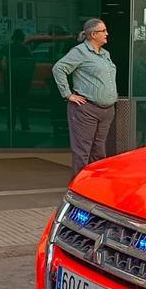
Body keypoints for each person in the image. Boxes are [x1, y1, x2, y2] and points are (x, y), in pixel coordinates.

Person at [52, 18, 118, 176]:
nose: (107, 34)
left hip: (106, 110)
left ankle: (95, 186)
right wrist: (68, 95)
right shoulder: (79, 52)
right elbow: (58, 68)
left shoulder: (105, 54)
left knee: (99, 150)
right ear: (93, 34)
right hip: (86, 109)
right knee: (82, 151)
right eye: (103, 31)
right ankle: (80, 191)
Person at [0, 30, 35, 132]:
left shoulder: (9, 47)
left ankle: (11, 126)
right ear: (22, 38)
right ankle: (25, 126)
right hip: (22, 80)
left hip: (10, 78)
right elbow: (31, 63)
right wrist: (29, 78)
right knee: (23, 105)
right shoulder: (25, 49)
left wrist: (2, 69)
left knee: (11, 105)